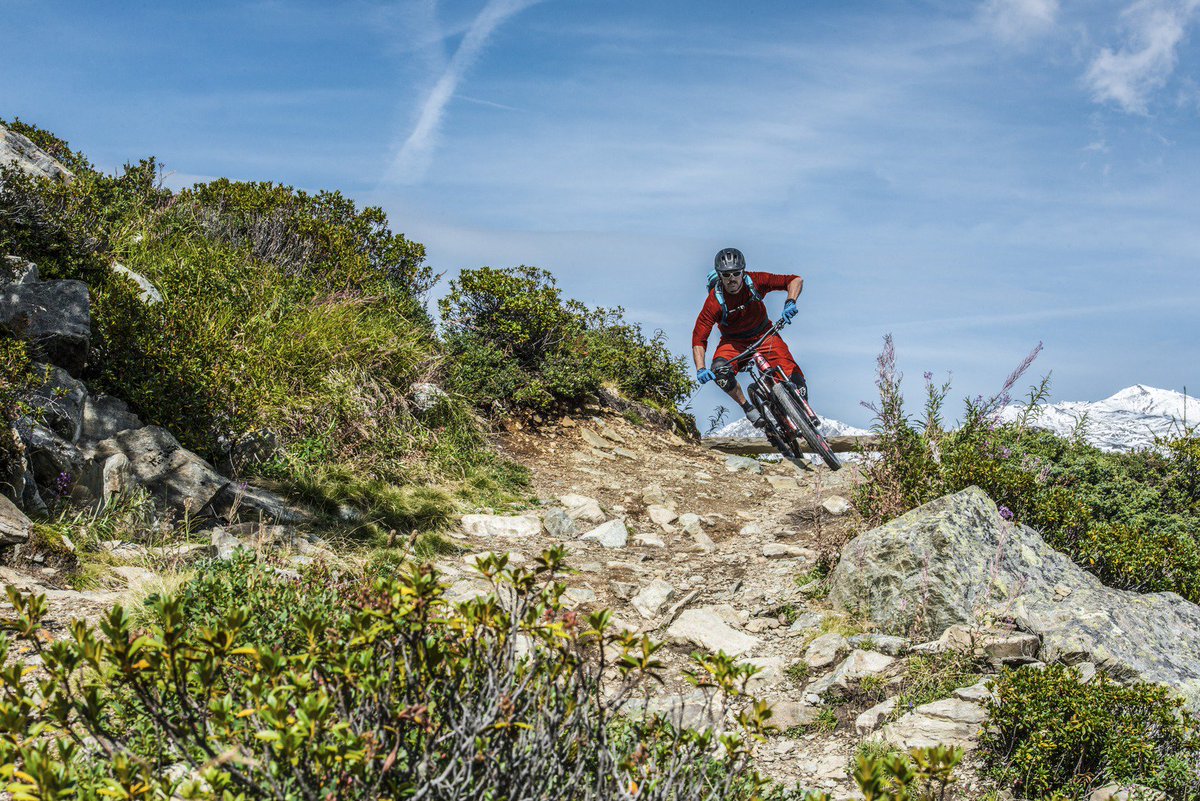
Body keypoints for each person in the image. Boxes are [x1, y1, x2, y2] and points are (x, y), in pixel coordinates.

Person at [692, 247, 812, 427]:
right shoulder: (714, 301)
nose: (731, 278)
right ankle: (748, 407)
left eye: (736, 273)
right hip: (734, 342)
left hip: (764, 334)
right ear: (719, 275)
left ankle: (803, 416)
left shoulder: (755, 281)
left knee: (793, 376)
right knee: (720, 371)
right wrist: (701, 368)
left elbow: (795, 280)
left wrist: (790, 302)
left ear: (743, 271)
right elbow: (699, 337)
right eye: (726, 275)